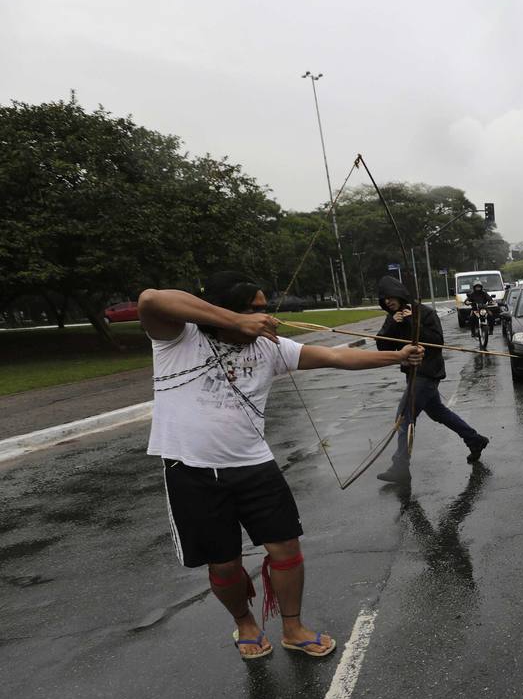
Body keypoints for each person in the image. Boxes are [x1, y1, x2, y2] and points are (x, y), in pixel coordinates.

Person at [139, 271, 424, 660]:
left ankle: (293, 626)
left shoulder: (270, 347)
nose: (266, 317)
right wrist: (235, 322)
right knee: (224, 565)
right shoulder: (176, 340)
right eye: (255, 310)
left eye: (264, 309)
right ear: (224, 310)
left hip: (254, 464)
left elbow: (337, 357)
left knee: (286, 549)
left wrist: (397, 355)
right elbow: (151, 298)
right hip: (192, 469)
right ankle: (245, 623)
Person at [374, 276, 489, 485]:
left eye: (391, 297)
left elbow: (437, 342)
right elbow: (382, 346)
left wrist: (412, 321)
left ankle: (400, 468)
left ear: (400, 295)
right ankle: (474, 439)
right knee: (438, 412)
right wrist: (392, 323)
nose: (389, 302)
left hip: (427, 374)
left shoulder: (424, 313)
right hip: (412, 375)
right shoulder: (393, 317)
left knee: (404, 417)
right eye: (385, 299)